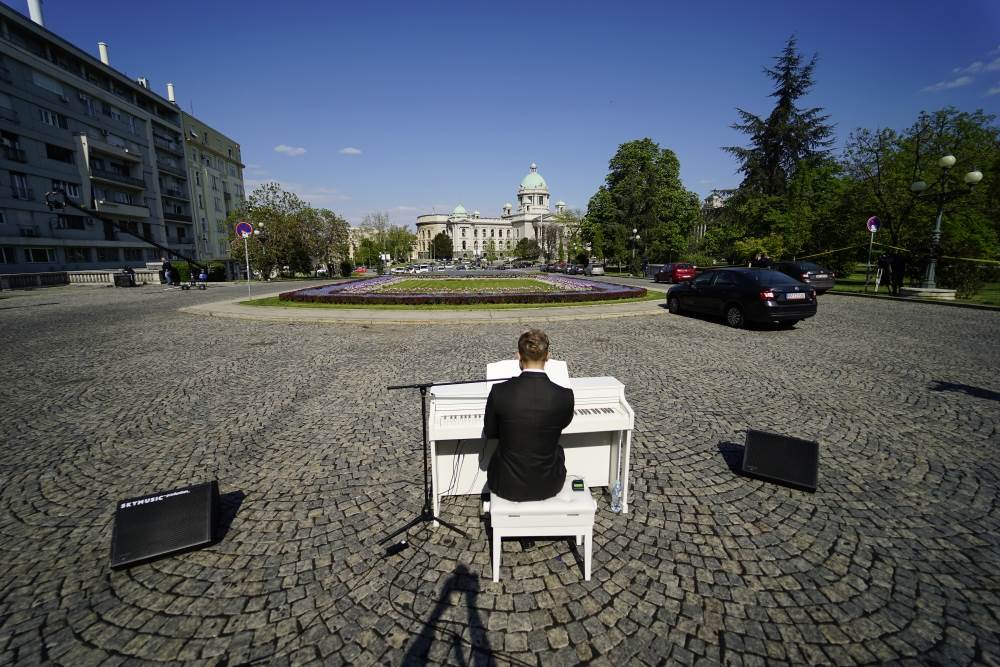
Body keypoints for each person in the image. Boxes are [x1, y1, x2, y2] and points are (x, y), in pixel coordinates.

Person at [484, 329, 574, 502]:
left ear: (519, 356)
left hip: (506, 484)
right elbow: (563, 424)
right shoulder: (565, 395)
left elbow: (490, 432)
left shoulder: (499, 391)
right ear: (548, 356)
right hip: (550, 483)